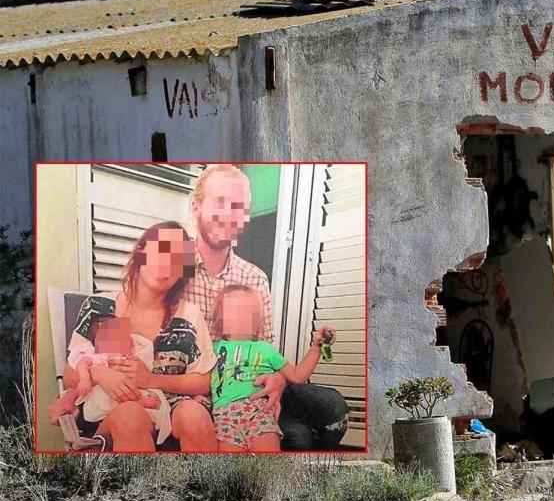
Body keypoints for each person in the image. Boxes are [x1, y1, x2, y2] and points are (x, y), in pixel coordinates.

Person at [184, 164, 348, 449]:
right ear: (196, 205)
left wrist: (277, 380)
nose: (229, 214)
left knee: (333, 405)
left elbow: (265, 349)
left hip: (254, 385)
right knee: (298, 437)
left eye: (238, 207)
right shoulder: (172, 270)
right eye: (220, 202)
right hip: (208, 390)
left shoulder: (254, 277)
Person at [48, 221, 218, 452]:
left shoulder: (189, 315)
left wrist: (151, 380)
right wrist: (100, 374)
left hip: (172, 404)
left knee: (195, 416)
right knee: (131, 415)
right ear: (142, 250)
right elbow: (70, 374)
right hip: (113, 408)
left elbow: (203, 381)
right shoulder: (101, 307)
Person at [209, 285, 334, 452]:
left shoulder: (265, 348)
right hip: (223, 415)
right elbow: (198, 375)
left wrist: (317, 347)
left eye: (250, 310)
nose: (245, 315)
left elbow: (298, 375)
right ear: (220, 318)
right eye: (237, 309)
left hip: (259, 411)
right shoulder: (212, 349)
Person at [52, 316, 172, 446]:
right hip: (103, 399)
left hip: (131, 397)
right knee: (118, 401)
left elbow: (143, 366)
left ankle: (138, 402)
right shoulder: (94, 356)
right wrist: (86, 379)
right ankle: (139, 402)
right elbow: (81, 364)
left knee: (130, 390)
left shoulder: (128, 352)